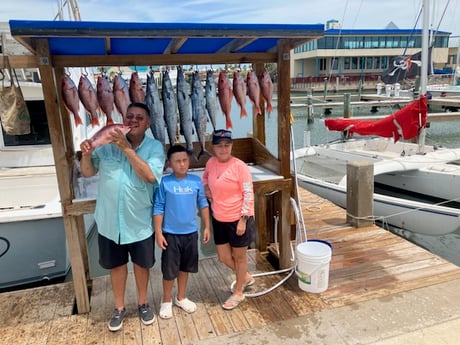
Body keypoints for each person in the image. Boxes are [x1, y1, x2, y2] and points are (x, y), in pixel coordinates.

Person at [79, 102, 165, 331]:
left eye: (139, 117)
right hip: (109, 221)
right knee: (116, 266)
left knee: (141, 265)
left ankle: (143, 303)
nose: (134, 120)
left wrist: (126, 147)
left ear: (148, 123)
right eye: (130, 116)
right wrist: (86, 154)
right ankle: (118, 308)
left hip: (139, 221)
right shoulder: (106, 146)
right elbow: (87, 172)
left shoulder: (155, 147)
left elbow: (149, 176)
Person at [153, 144, 211, 319]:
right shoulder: (165, 182)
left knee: (185, 267)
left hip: (191, 233)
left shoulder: (196, 181)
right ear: (169, 163)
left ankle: (181, 297)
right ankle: (166, 300)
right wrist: (158, 232)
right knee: (169, 270)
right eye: (177, 161)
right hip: (170, 234)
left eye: (185, 160)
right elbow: (158, 207)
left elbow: (203, 203)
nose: (182, 164)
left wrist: (207, 226)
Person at [202, 129, 255, 310]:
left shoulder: (240, 166)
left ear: (231, 146)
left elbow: (248, 193)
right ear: (213, 147)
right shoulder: (210, 163)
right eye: (219, 145)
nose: (223, 149)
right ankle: (245, 277)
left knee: (240, 258)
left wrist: (243, 219)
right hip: (218, 218)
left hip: (237, 219)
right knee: (224, 257)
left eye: (227, 145)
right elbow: (205, 178)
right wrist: (206, 188)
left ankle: (239, 292)